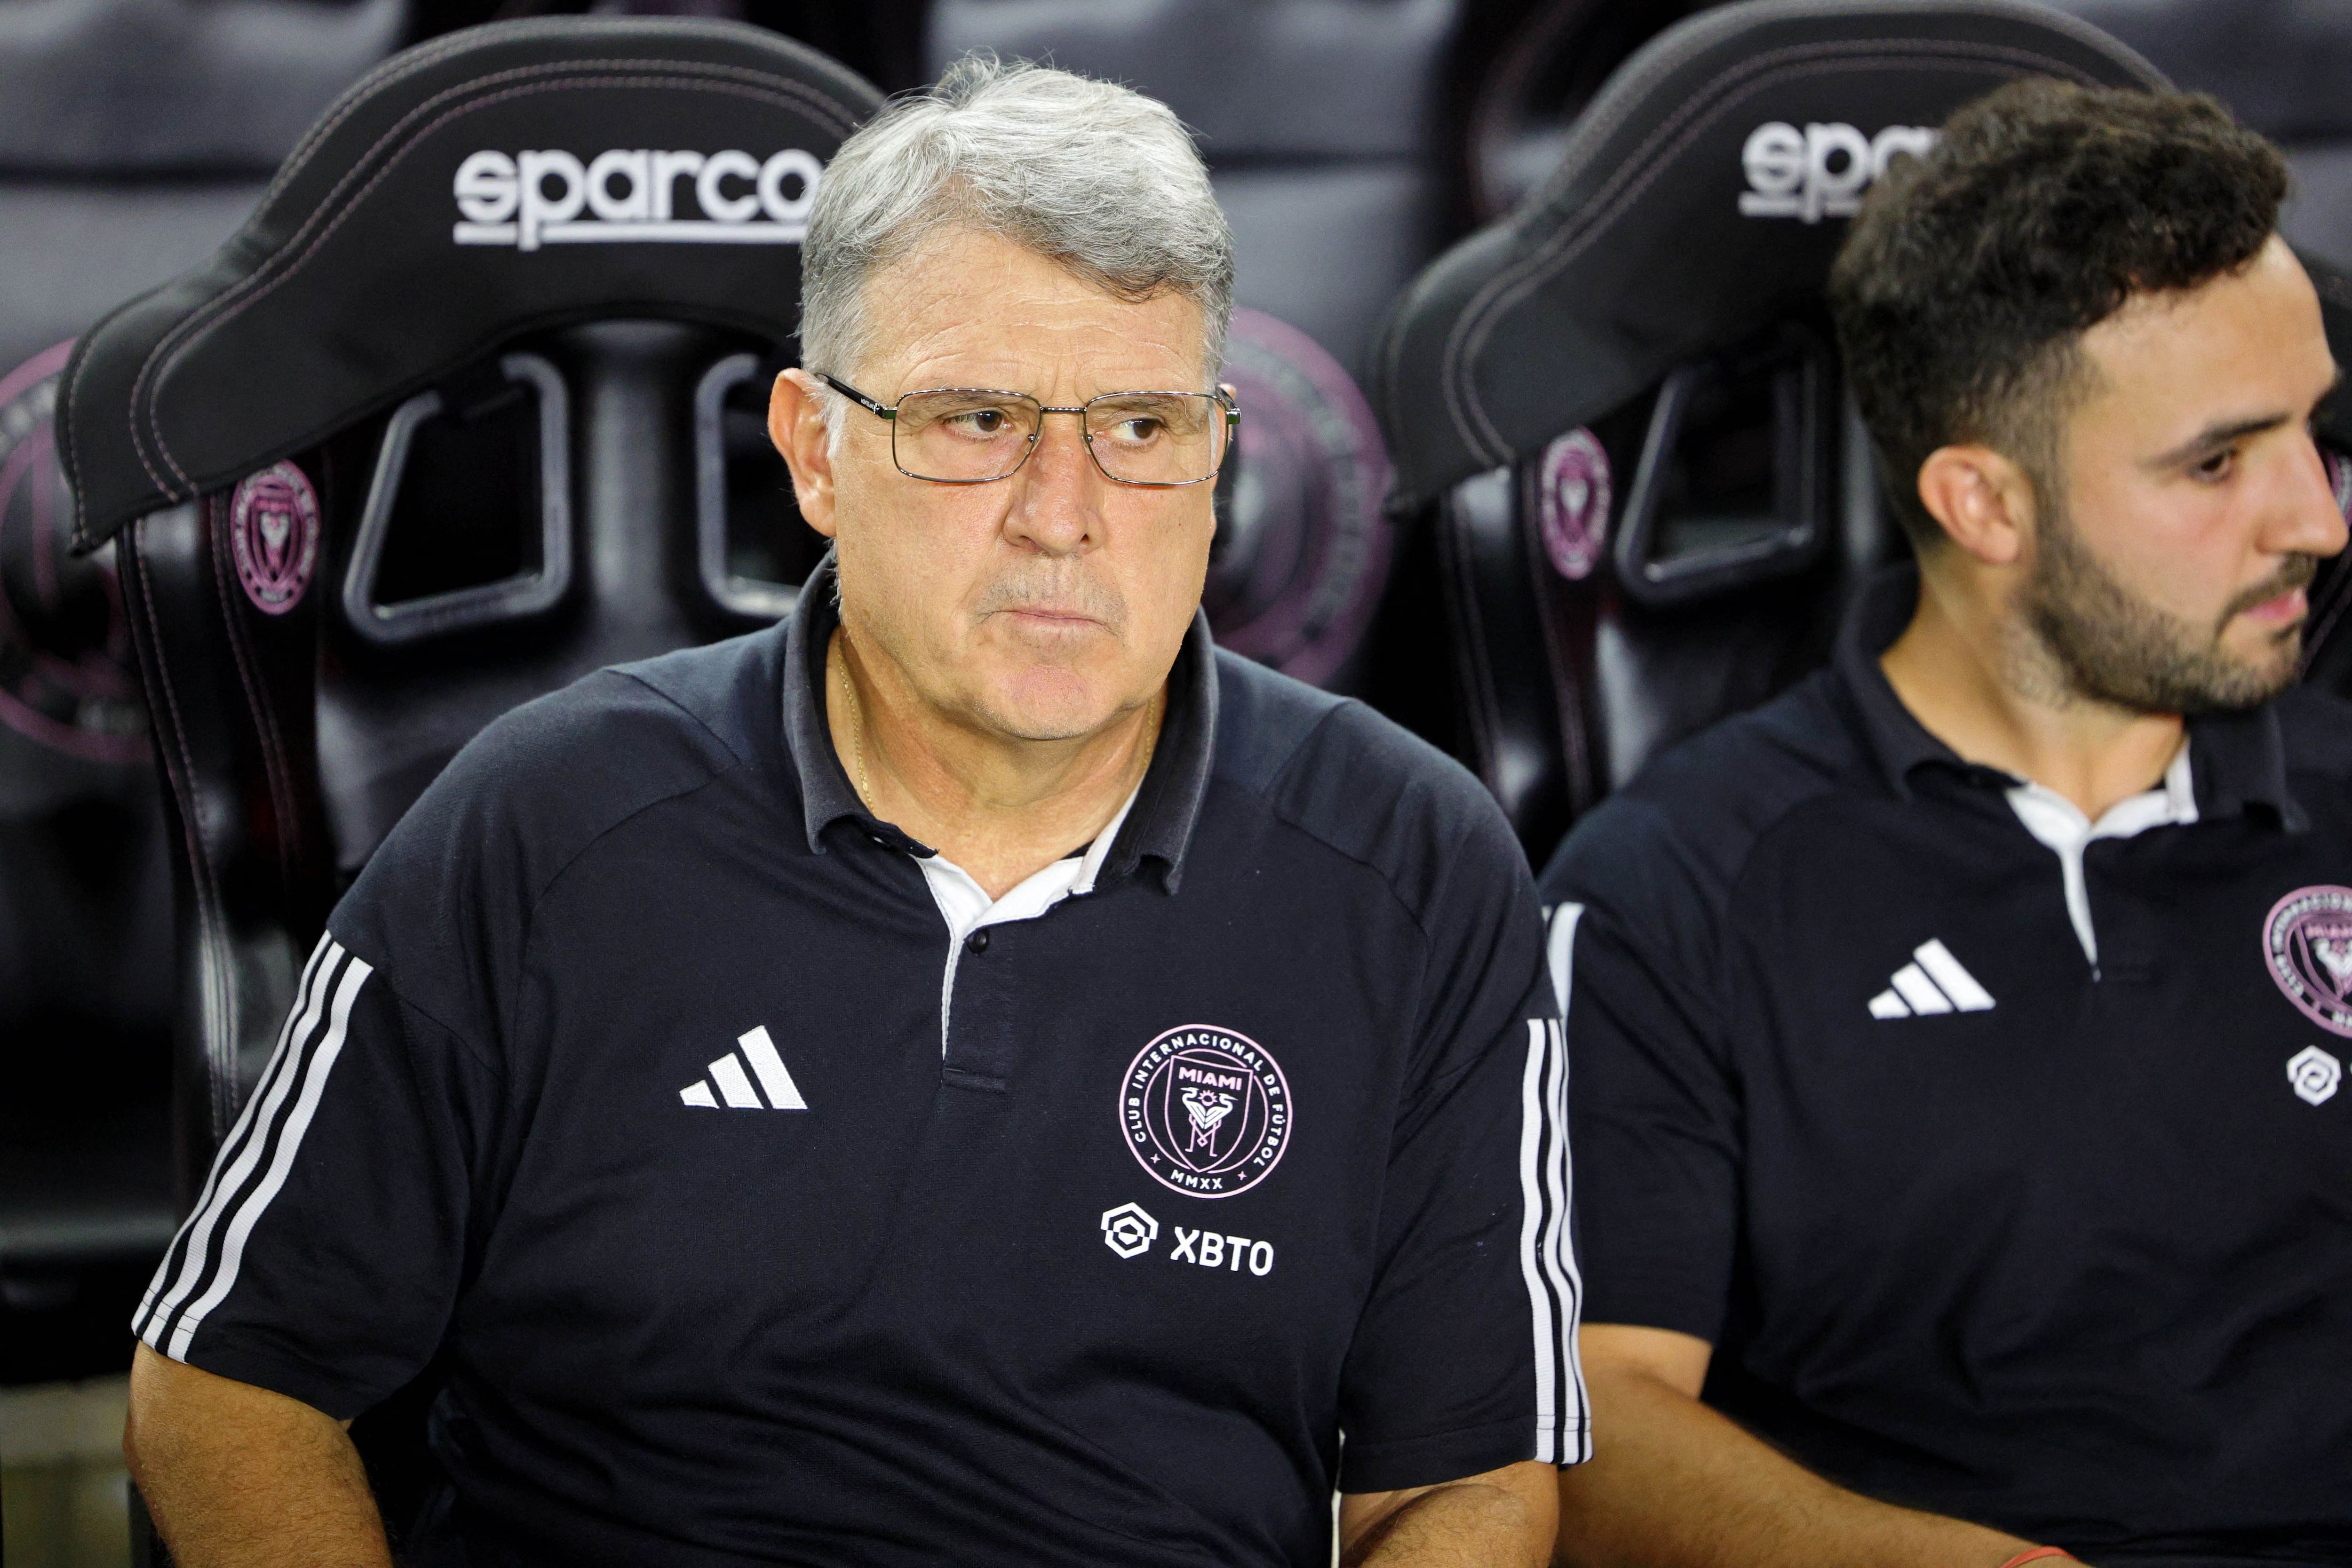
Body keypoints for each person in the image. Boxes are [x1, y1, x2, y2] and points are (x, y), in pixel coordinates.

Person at [120, 56, 1578, 1568]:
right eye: (976, 420)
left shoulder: (1416, 867)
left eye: (1138, 429)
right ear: (816, 449)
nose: (1062, 511)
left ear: (1216, 453)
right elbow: (225, 1387)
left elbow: (1461, 1483)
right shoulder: (546, 826)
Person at [1543, 80, 2352, 1568]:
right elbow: (1588, 1413)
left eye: (2319, 430)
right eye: (2221, 462)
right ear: (1983, 504)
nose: (2319, 518)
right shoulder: (1677, 890)